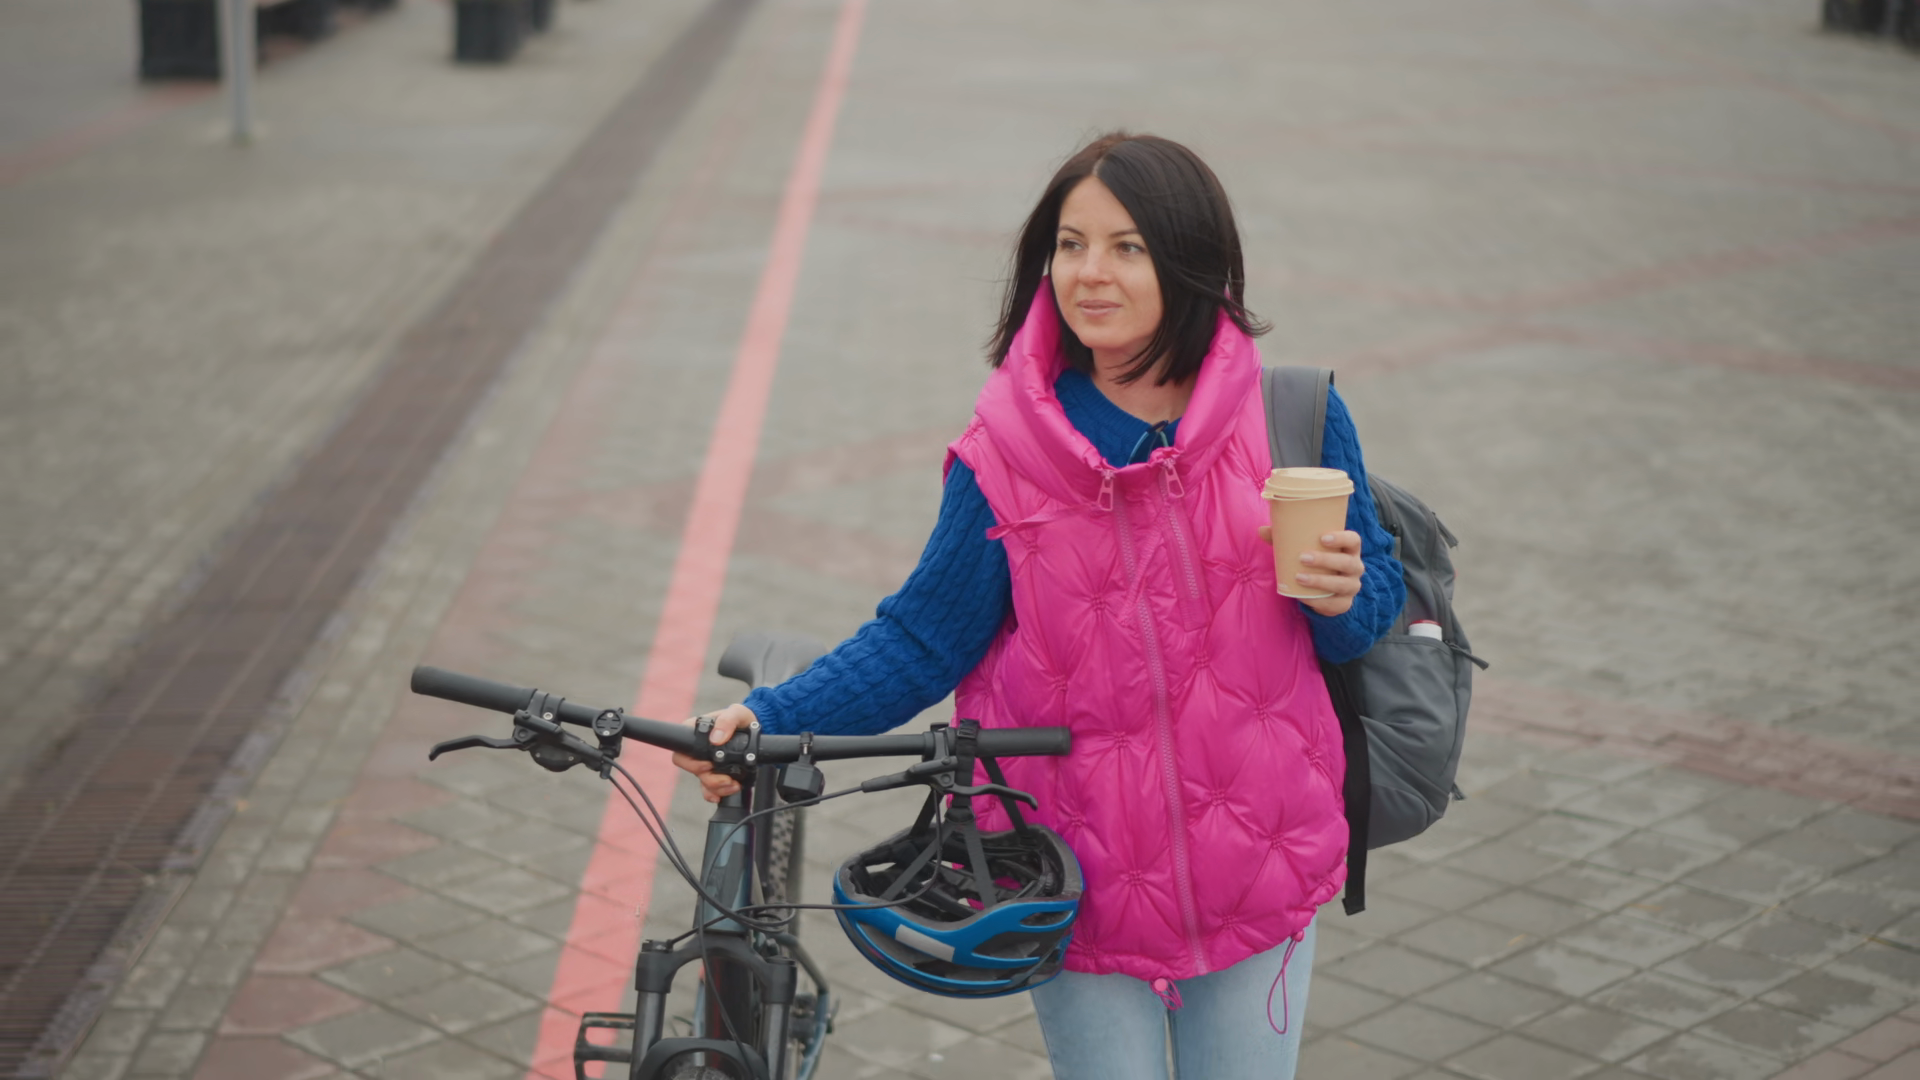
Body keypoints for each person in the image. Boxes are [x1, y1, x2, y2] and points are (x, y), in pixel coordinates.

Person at [674, 132, 1404, 1079]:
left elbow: (1371, 606)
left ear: (1191, 262)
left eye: (1127, 247)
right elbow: (922, 639)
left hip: (1260, 869)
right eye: (1070, 244)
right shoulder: (1007, 453)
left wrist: (1343, 595)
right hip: (1070, 884)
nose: (1090, 273)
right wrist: (770, 718)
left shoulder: (1291, 415)